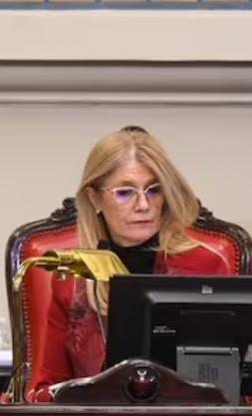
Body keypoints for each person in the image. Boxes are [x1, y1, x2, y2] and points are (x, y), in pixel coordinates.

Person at [27, 126, 233, 401]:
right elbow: (45, 387)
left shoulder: (204, 265)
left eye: (154, 190)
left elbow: (229, 388)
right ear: (94, 197)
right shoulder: (73, 278)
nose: (143, 205)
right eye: (125, 192)